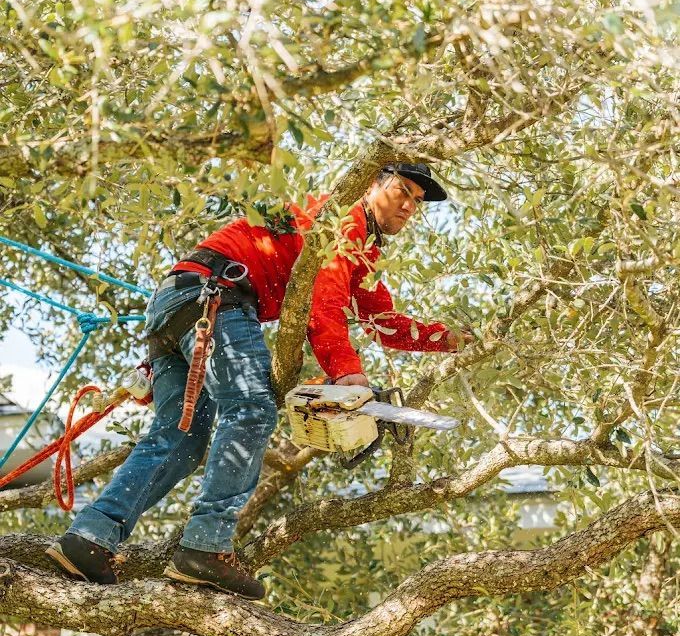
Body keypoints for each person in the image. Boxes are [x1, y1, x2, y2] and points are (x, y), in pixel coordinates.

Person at [47, 162, 471, 600]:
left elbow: (383, 322)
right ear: (371, 184)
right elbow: (323, 310)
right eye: (403, 190)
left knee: (181, 440)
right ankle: (204, 546)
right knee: (251, 407)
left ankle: (90, 539)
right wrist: (351, 380)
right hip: (216, 295)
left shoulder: (361, 253)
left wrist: (453, 339)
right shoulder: (343, 221)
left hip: (177, 301)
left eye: (417, 202)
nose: (408, 206)